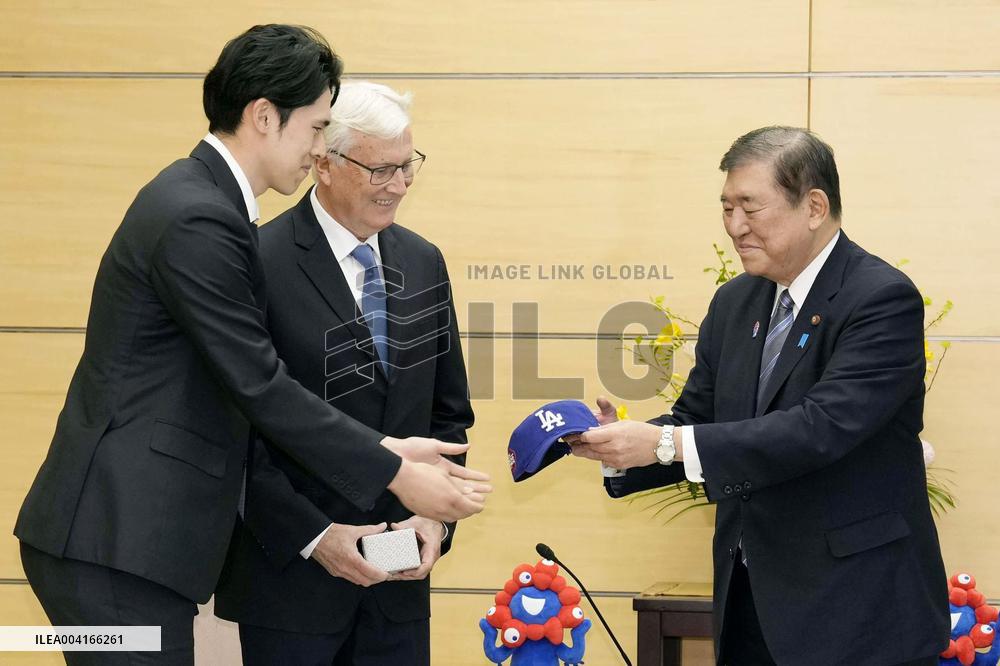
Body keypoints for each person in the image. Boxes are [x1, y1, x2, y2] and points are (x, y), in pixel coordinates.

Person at [14, 26, 488, 665]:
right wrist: (394, 466)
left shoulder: (201, 202)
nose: (319, 147)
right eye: (318, 128)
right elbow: (259, 386)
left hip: (130, 545)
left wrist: (395, 459)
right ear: (266, 116)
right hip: (117, 540)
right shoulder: (200, 216)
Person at [572, 127, 949, 665]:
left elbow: (818, 429)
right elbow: (697, 417)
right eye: (726, 208)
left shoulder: (880, 298)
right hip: (751, 601)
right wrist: (617, 449)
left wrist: (664, 444)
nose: (734, 226)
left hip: (857, 610)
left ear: (814, 206)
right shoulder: (735, 301)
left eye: (750, 207)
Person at [214, 81, 471, 666]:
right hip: (291, 587)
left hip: (401, 585)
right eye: (382, 170)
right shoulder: (256, 260)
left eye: (408, 167)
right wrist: (318, 538)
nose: (400, 185)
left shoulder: (423, 261)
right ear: (324, 163)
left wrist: (433, 519)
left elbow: (448, 416)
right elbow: (238, 432)